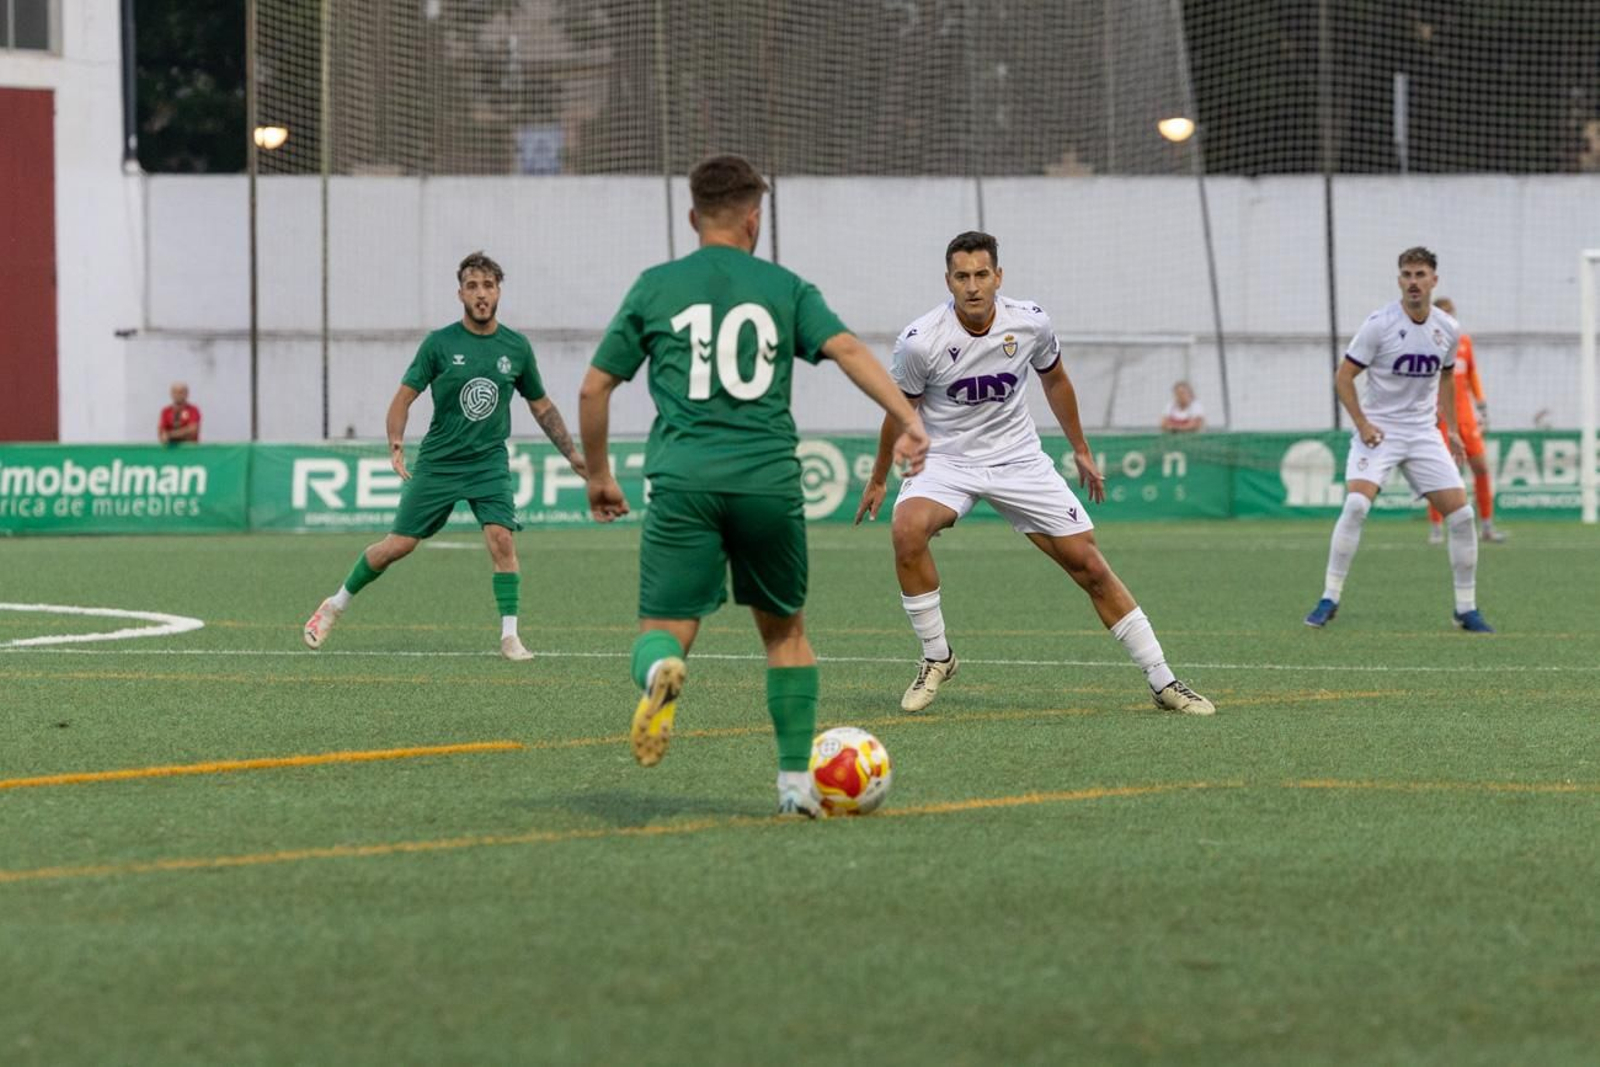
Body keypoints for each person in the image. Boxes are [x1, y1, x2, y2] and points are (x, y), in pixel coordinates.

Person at [578, 154, 929, 818]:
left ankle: (659, 675)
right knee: (785, 634)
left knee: (665, 625)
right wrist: (908, 420)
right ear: (753, 217)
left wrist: (599, 475)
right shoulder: (785, 286)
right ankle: (796, 785)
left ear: (692, 217)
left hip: (683, 480)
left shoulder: (656, 286)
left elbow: (594, 386)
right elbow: (849, 348)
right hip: (767, 480)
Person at [853, 230, 1215, 717]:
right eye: (962, 277)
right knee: (906, 530)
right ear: (948, 281)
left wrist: (1081, 450)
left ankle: (1163, 681)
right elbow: (898, 411)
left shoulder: (1031, 323)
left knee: (1089, 565)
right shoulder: (921, 343)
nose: (973, 286)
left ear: (999, 276)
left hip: (1019, 459)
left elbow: (1056, 380)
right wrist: (879, 479)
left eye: (982, 275)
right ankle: (937, 656)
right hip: (947, 461)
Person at [302, 251, 584, 659]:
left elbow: (541, 406)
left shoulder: (516, 348)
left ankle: (510, 636)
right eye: (473, 286)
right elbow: (404, 397)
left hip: (488, 462)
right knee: (397, 546)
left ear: (499, 291)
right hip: (439, 463)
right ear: (460, 294)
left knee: (502, 539)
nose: (481, 294)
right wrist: (396, 442)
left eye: (488, 286)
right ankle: (335, 604)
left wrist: (572, 453)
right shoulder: (439, 343)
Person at [1304, 247, 1494, 633]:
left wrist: (1453, 429)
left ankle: (1466, 608)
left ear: (1433, 280)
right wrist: (1362, 423)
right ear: (1399, 280)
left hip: (1422, 433)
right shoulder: (1379, 324)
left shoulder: (1448, 329)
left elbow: (1445, 378)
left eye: (1420, 274)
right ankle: (1329, 596)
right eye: (1406, 274)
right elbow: (1343, 378)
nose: (1413, 281)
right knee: (1356, 505)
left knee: (1462, 515)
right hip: (1379, 431)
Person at [1426, 297, 1505, 544]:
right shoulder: (1426, 343)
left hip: (1466, 418)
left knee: (1481, 467)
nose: (1449, 319)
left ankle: (1487, 527)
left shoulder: (1464, 342)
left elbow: (1472, 375)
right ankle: (1437, 528)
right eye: (1444, 314)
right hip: (1439, 418)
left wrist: (1481, 405)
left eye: (1452, 314)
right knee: (1440, 473)